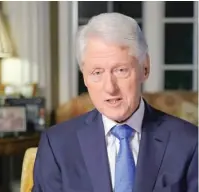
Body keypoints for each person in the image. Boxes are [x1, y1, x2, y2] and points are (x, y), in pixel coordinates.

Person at [32, 13, 198, 192]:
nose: (110, 88)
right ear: (85, 77)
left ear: (145, 68)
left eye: (120, 70)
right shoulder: (57, 144)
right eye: (97, 72)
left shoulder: (189, 142)